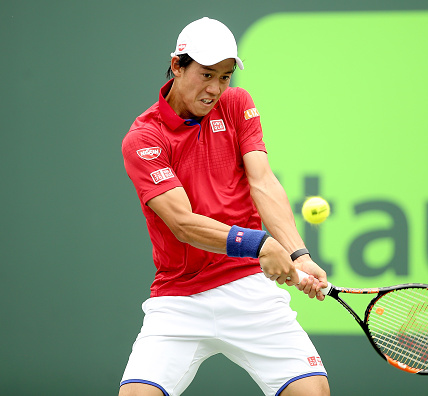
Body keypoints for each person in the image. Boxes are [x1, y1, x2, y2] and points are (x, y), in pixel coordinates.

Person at [119, 17, 331, 396]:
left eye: (225, 76)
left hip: (250, 288)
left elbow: (263, 182)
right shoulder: (144, 137)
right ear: (177, 65)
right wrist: (261, 244)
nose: (215, 88)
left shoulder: (236, 105)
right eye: (206, 75)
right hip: (180, 297)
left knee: (312, 393)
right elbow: (183, 224)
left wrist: (298, 254)